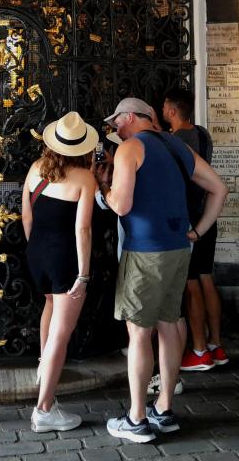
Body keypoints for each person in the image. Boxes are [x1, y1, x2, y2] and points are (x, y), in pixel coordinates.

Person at [96, 97, 228, 444]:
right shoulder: (177, 146)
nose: (114, 129)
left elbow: (121, 205)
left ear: (127, 118)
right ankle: (164, 408)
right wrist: (198, 231)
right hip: (178, 247)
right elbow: (219, 188)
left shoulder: (129, 149)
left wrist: (102, 189)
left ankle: (136, 418)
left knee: (139, 333)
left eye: (115, 123)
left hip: (144, 250)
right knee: (170, 325)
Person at [22, 111, 98, 432]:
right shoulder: (85, 179)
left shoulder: (35, 169)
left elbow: (27, 216)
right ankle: (44, 409)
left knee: (49, 308)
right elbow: (83, 229)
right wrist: (83, 273)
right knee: (62, 333)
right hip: (66, 258)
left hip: (36, 252)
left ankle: (44, 368)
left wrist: (37, 248)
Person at [162, 89, 228, 372]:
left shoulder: (173, 141)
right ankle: (216, 344)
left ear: (172, 111)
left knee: (189, 285)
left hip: (188, 218)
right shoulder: (202, 133)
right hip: (208, 217)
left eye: (165, 106)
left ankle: (199, 349)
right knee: (206, 278)